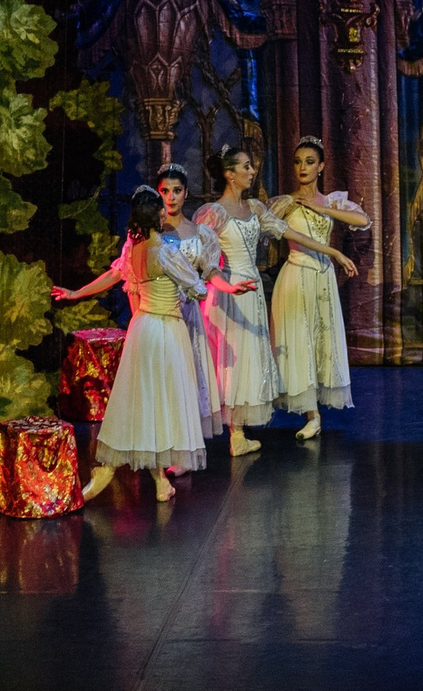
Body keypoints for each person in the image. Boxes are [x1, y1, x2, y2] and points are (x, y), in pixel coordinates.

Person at [51, 187, 244, 502]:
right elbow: (196, 288)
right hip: (166, 330)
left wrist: (76, 293)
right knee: (162, 405)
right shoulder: (165, 252)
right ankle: (152, 479)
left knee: (145, 404)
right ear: (159, 215)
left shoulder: (133, 251)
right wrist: (199, 279)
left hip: (141, 329)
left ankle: (159, 482)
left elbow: (114, 275)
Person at [269, 135, 366, 440]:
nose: (303, 168)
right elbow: (267, 227)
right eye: (298, 162)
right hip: (296, 275)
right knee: (299, 341)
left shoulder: (331, 200)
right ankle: (311, 414)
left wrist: (322, 208)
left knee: (320, 339)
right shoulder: (286, 202)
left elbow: (363, 219)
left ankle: (317, 411)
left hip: (322, 279)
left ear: (321, 166)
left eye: (310, 162)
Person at [195, 143, 283, 456]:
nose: (252, 171)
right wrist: (224, 287)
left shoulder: (254, 208)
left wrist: (330, 250)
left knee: (247, 355)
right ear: (230, 175)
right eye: (245, 167)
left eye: (251, 166)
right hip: (228, 289)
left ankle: (238, 431)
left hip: (252, 288)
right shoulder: (213, 213)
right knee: (228, 358)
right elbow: (201, 259)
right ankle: (232, 430)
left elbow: (284, 231)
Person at [152, 162, 230, 447]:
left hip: (188, 315)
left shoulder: (201, 234)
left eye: (177, 190)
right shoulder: (152, 234)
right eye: (164, 191)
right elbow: (123, 269)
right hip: (161, 314)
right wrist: (77, 293)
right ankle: (163, 440)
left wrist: (230, 286)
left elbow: (211, 272)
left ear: (186, 194)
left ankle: (185, 444)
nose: (170, 197)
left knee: (187, 375)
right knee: (163, 377)